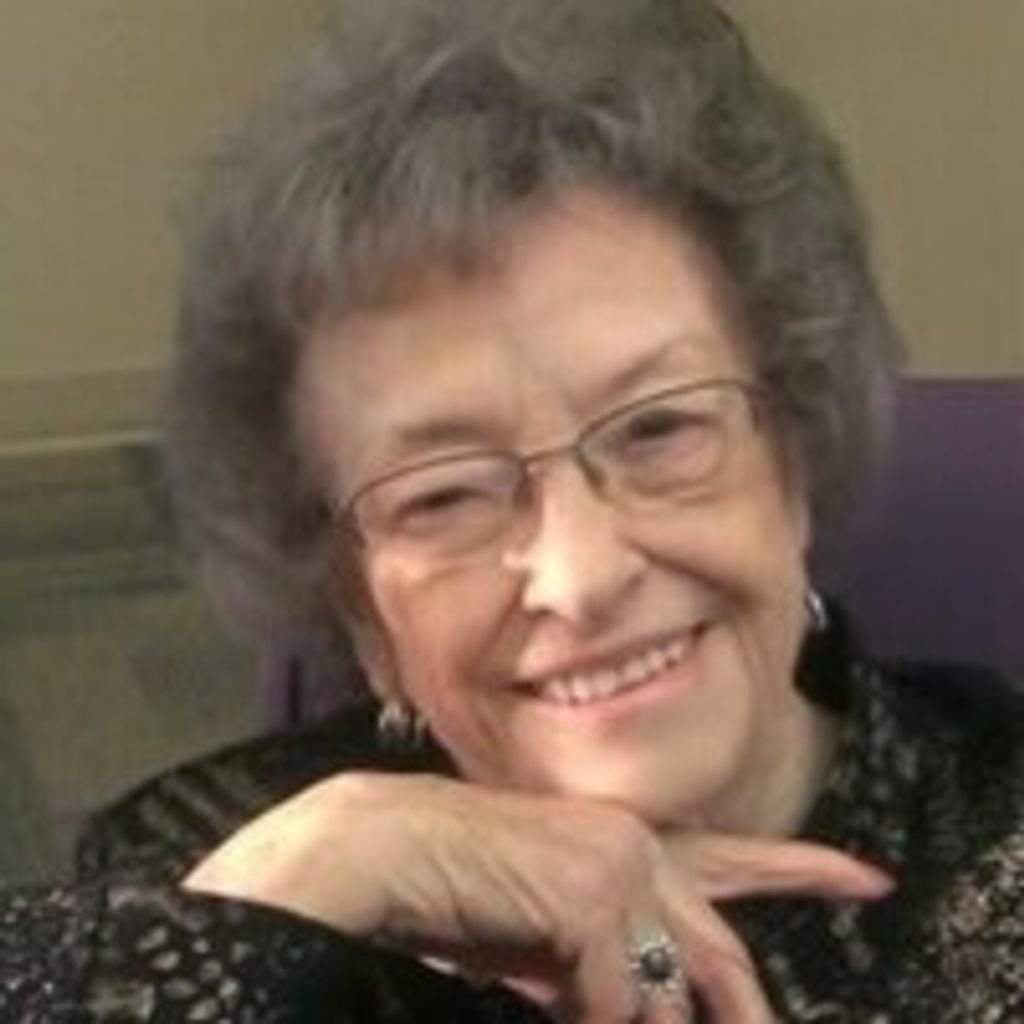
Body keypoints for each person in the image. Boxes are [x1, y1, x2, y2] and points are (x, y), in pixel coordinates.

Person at [2, 0, 1021, 1020]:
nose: (581, 577)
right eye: (444, 495)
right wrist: (305, 885)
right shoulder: (216, 861)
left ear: (793, 452)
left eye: (657, 430)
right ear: (358, 609)